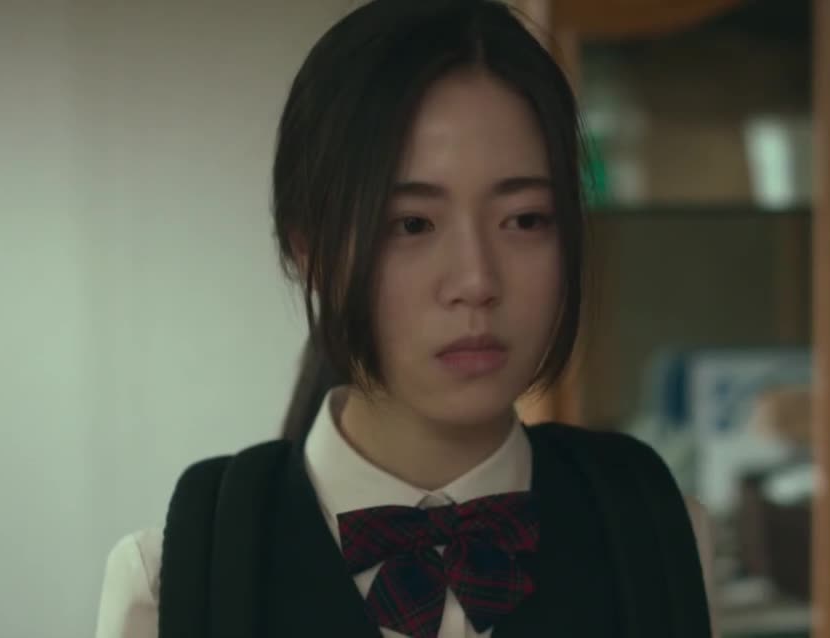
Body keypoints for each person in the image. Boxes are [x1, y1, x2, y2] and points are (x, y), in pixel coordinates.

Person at [94, 1, 716, 637]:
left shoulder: (658, 537)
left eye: (525, 219)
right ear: (309, 249)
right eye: (412, 224)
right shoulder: (170, 581)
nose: (476, 281)